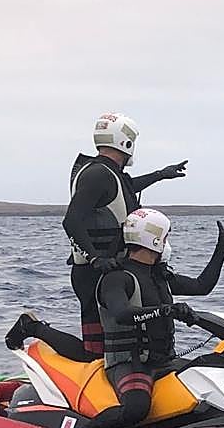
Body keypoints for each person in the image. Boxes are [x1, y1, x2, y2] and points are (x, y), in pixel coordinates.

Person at [87, 208, 224, 428]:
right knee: (136, 409)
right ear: (153, 239)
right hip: (129, 363)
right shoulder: (117, 277)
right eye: (165, 237)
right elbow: (122, 314)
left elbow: (201, 286)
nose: (167, 243)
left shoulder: (159, 276)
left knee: (215, 375)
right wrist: (166, 310)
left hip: (164, 360)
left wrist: (222, 249)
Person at [63, 113, 188, 356]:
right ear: (126, 143)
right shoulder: (97, 174)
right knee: (98, 351)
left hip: (110, 268)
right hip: (95, 273)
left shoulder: (107, 173)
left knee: (120, 343)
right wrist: (95, 259)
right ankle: (34, 328)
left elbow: (126, 188)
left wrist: (161, 174)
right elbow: (71, 221)